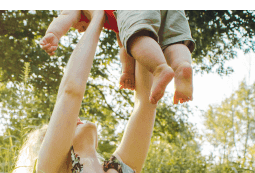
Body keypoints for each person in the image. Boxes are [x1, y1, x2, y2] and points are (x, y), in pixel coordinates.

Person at [11, 11, 156, 173]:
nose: (75, 117)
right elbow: (71, 90)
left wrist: (133, 25)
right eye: (65, 124)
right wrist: (100, 13)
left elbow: (146, 102)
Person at [39, 10, 195, 105]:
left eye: (77, 27)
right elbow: (123, 46)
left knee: (136, 37)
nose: (79, 31)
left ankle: (159, 68)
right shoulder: (116, 20)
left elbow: (66, 15)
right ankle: (182, 66)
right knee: (172, 39)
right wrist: (128, 73)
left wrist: (53, 33)